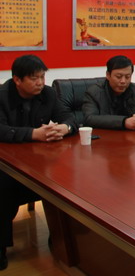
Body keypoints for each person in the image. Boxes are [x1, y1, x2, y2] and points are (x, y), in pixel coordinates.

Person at [0, 55, 78, 270]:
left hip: (38, 160)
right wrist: (33, 134)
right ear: (17, 79)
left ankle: (61, 238)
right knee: (3, 186)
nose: (40, 83)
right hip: (6, 161)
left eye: (42, 77)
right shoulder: (2, 96)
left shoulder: (48, 94)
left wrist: (65, 128)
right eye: (34, 79)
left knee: (66, 179)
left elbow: (69, 117)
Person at [82, 55, 135, 130]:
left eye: (127, 77)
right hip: (105, 135)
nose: (123, 81)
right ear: (108, 75)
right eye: (118, 76)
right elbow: (90, 119)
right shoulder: (94, 92)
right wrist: (124, 122)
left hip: (130, 135)